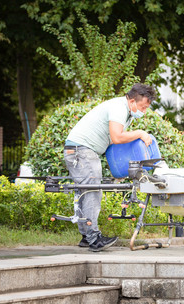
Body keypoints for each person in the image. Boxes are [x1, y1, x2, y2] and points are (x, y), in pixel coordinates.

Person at [63, 83, 156, 252]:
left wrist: (119, 170)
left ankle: (86, 236)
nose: (143, 111)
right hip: (82, 150)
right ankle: (94, 239)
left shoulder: (124, 111)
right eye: (142, 107)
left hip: (78, 150)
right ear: (133, 101)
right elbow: (118, 137)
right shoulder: (118, 108)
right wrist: (141, 133)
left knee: (85, 191)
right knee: (92, 191)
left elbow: (112, 143)